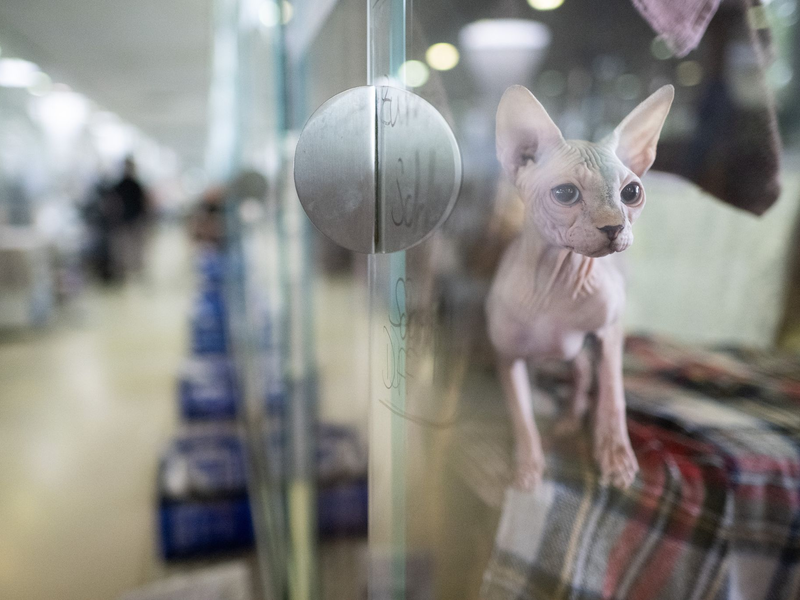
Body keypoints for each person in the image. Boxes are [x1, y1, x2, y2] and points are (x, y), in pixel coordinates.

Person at [110, 157, 151, 281]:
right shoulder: (120, 186)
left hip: (135, 220)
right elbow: (114, 204)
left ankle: (136, 270)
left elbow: (144, 203)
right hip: (124, 221)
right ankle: (126, 271)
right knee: (125, 249)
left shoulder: (136, 185)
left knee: (135, 248)